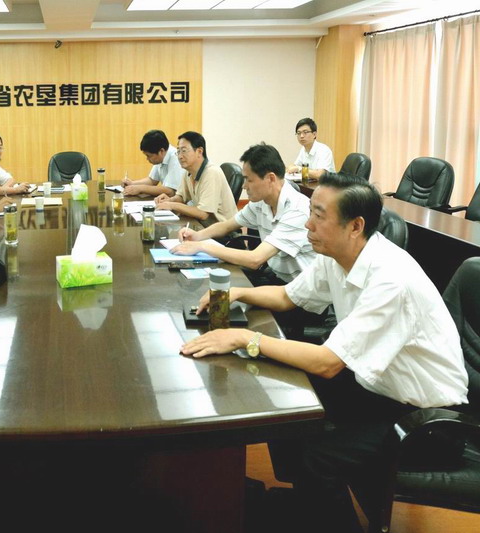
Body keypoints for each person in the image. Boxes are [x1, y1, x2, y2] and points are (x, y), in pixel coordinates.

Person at [183, 173, 468, 533]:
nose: (308, 223)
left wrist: (244, 338)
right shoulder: (338, 254)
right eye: (310, 212)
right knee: (284, 402)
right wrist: (238, 293)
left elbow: (328, 363)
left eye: (319, 215)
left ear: (355, 226)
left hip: (426, 422)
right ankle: (305, 503)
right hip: (380, 388)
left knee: (318, 457)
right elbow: (287, 296)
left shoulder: (391, 281)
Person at [173, 143, 315, 284]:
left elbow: (255, 259)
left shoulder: (297, 210)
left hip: (297, 286)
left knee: (224, 290)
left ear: (270, 179)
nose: (244, 186)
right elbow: (227, 226)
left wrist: (202, 246)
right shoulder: (261, 202)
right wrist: (197, 236)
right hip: (275, 274)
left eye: (249, 180)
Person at [154, 131, 237, 224]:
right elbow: (182, 197)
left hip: (222, 227)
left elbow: (203, 213)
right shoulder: (188, 171)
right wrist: (169, 200)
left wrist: (171, 205)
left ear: (199, 152)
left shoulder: (211, 172)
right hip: (204, 224)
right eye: (178, 151)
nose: (180, 156)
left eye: (184, 151)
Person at [122, 129, 184, 197]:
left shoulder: (176, 159)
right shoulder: (161, 156)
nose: (147, 159)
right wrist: (132, 183)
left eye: (149, 156)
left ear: (161, 151)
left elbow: (170, 191)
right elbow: (152, 180)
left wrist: (140, 188)